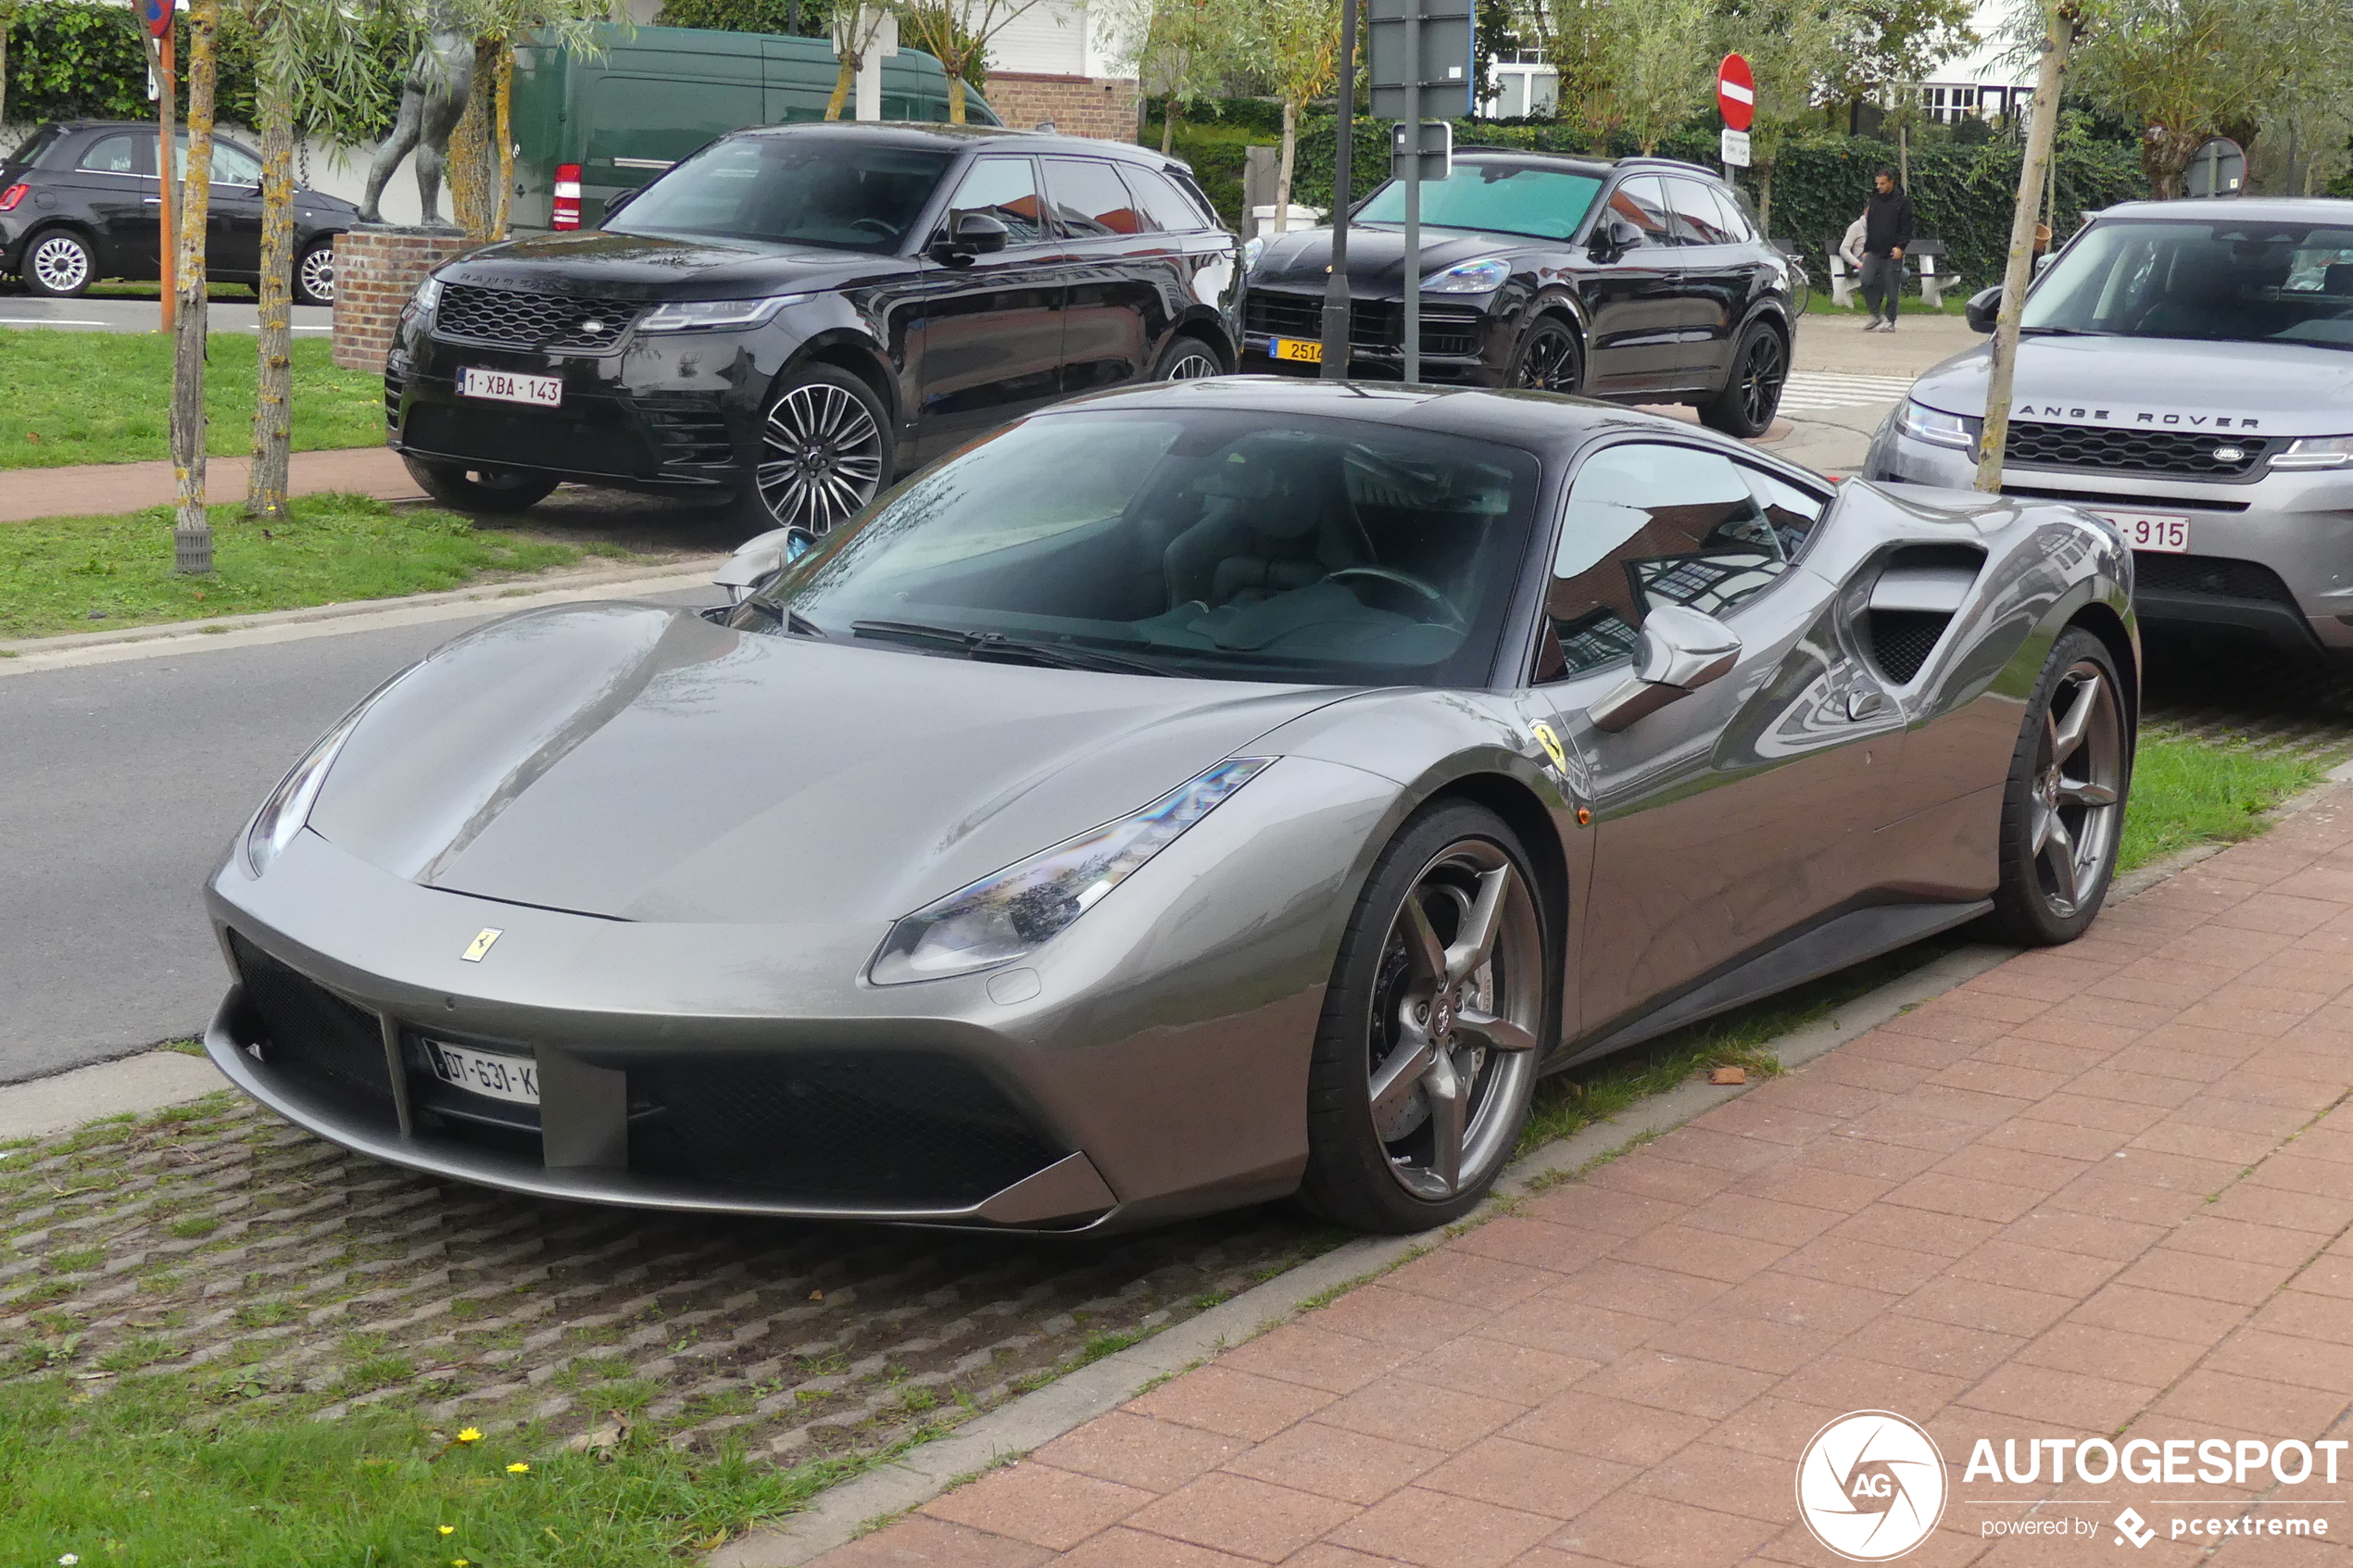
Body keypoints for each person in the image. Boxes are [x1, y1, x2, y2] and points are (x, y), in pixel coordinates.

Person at [1859, 168, 1916, 332]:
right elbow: (1871, 226)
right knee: (1866, 280)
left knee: (1892, 287)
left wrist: (1900, 246)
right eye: (1877, 183)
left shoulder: (1903, 202)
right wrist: (1866, 248)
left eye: (1883, 183)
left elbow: (1907, 227)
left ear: (1892, 182)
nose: (1879, 187)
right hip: (1875, 249)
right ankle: (1876, 315)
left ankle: (1891, 320)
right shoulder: (1875, 200)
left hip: (1892, 251)